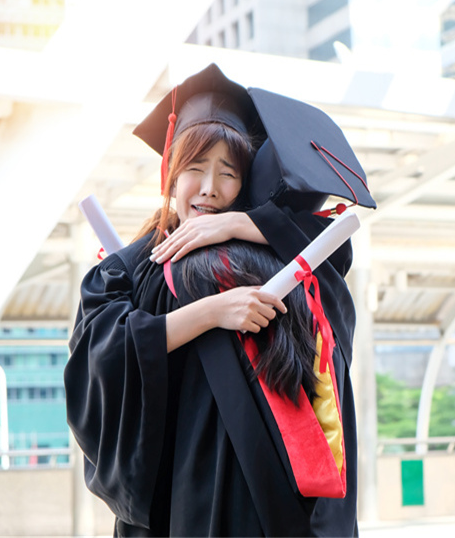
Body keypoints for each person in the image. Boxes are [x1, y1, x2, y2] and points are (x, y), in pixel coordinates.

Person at [64, 63, 374, 537]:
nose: (209, 188)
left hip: (263, 486)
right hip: (177, 484)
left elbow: (328, 271)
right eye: (194, 168)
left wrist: (237, 225)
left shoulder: (264, 253)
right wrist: (210, 312)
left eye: (228, 173)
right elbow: (99, 355)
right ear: (169, 170)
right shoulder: (128, 269)